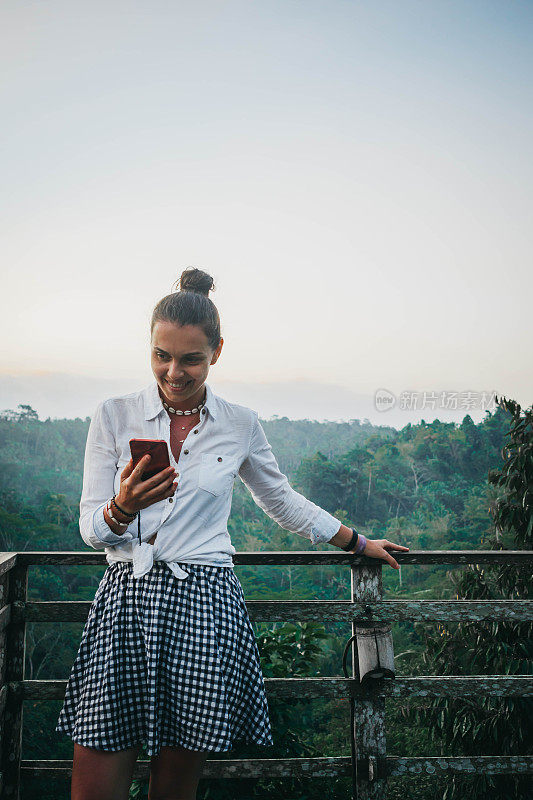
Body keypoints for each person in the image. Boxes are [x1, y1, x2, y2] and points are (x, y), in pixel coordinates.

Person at [55, 267, 409, 800]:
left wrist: (357, 543)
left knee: (174, 786)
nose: (174, 371)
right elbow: (88, 529)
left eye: (191, 358)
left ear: (217, 352)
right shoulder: (114, 415)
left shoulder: (238, 422)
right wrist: (121, 508)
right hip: (126, 603)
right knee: (96, 780)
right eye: (161, 355)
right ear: (149, 348)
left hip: (203, 602)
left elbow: (281, 500)